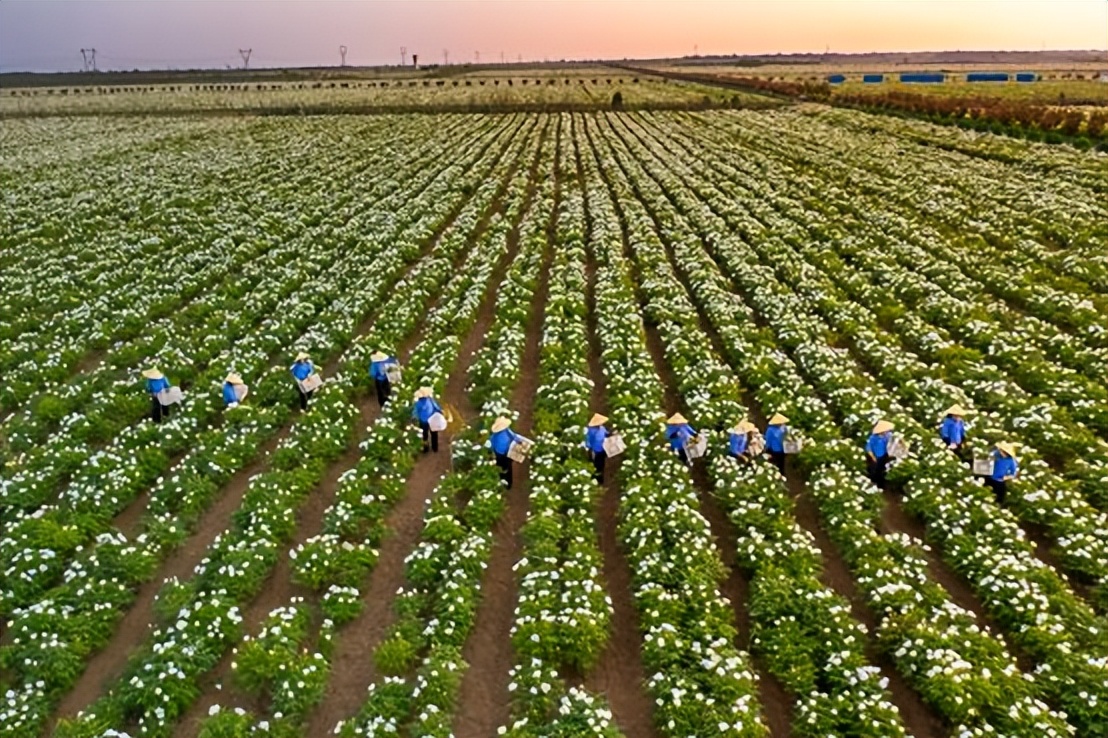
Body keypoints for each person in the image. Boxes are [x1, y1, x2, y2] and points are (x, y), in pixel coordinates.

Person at [489, 416, 524, 489]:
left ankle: (505, 483)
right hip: (502, 454)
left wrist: (519, 441)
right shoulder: (497, 435)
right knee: (504, 467)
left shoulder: (505, 431)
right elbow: (514, 437)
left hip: (504, 453)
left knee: (504, 467)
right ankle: (506, 483)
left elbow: (514, 436)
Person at [412, 386, 444, 453]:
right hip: (431, 420)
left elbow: (415, 411)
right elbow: (436, 407)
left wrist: (414, 417)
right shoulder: (430, 400)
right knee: (433, 433)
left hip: (424, 421)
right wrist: (440, 411)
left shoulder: (419, 403)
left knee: (425, 434)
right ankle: (434, 448)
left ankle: (426, 448)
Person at [866, 419, 895, 490]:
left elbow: (895, 441)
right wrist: (873, 457)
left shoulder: (888, 435)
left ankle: (880, 484)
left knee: (883, 470)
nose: (886, 431)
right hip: (876, 456)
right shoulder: (873, 438)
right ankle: (873, 482)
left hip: (885, 456)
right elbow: (868, 448)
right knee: (874, 470)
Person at [584, 413, 611, 484]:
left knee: (601, 464)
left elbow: (606, 434)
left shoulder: (602, 428)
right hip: (595, 450)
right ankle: (596, 479)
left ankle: (600, 479)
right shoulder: (591, 430)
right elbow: (588, 441)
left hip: (603, 448)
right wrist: (589, 449)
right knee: (595, 465)